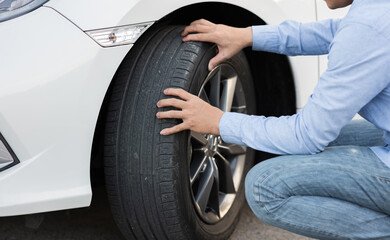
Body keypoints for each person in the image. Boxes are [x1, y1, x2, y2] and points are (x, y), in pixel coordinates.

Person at [156, 0, 390, 238]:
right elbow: (331, 32)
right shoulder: (377, 11)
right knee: (332, 138)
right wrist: (247, 35)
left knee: (263, 186)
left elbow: (306, 135)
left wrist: (220, 122)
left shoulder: (368, 28)